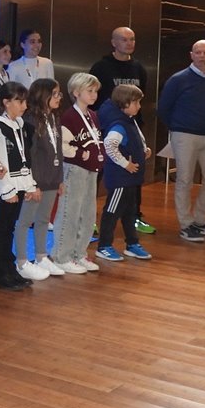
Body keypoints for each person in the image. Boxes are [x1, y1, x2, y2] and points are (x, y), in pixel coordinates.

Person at [157, 40, 205, 243]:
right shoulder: (178, 79)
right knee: (185, 180)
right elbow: (163, 108)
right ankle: (186, 224)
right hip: (184, 135)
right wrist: (178, 127)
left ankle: (200, 220)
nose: (201, 56)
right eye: (198, 52)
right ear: (191, 55)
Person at [89, 26, 156, 235]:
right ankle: (89, 218)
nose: (129, 43)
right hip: (106, 127)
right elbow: (93, 98)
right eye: (124, 39)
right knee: (97, 174)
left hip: (131, 126)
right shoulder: (101, 67)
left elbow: (140, 98)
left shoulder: (139, 68)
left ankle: (135, 216)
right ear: (114, 42)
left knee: (134, 171)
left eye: (132, 39)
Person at [0, 81, 39, 291]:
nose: (24, 106)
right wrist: (7, 189)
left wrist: (30, 185)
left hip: (19, 184)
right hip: (5, 187)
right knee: (0, 230)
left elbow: (24, 157)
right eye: (20, 101)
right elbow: (0, 160)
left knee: (9, 229)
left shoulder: (19, 124)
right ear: (6, 102)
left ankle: (9, 268)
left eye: (25, 101)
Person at [14, 78, 66, 281]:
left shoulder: (53, 117)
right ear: (42, 95)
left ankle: (41, 256)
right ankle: (21, 261)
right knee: (25, 221)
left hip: (51, 178)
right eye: (55, 94)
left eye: (59, 94)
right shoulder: (30, 120)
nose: (59, 97)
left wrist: (59, 178)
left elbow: (58, 150)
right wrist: (31, 184)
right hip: (35, 181)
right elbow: (30, 155)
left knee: (44, 220)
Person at [52, 73, 105, 274]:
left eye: (95, 91)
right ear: (76, 92)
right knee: (69, 212)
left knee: (88, 213)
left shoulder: (93, 116)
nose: (94, 95)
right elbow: (62, 145)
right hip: (75, 169)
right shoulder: (69, 117)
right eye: (89, 91)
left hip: (91, 169)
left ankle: (79, 253)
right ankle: (61, 256)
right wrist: (79, 153)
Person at [95, 85, 154, 262]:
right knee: (112, 211)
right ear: (125, 103)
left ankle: (132, 244)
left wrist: (144, 149)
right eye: (136, 103)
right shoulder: (119, 124)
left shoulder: (129, 120)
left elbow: (136, 139)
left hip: (130, 178)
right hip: (120, 179)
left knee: (130, 212)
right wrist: (125, 164)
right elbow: (109, 146)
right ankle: (104, 246)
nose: (139, 106)